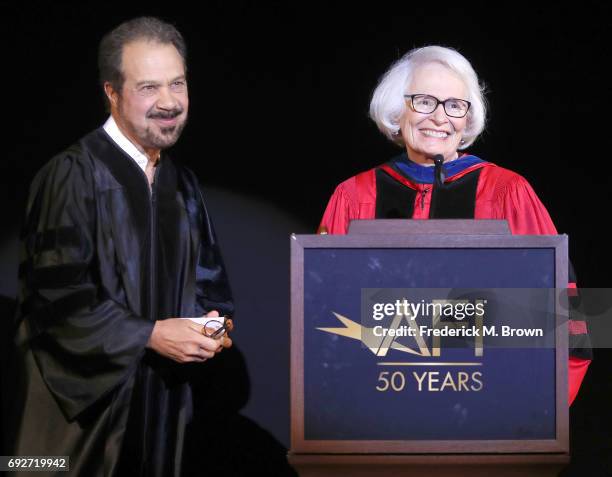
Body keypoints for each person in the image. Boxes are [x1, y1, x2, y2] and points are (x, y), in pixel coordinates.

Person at [4, 17, 234, 476]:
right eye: (149, 87)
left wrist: (212, 325)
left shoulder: (181, 184)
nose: (169, 102)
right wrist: (148, 334)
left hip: (160, 411)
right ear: (112, 92)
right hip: (82, 420)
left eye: (178, 84)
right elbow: (57, 299)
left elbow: (209, 282)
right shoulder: (73, 175)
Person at [318, 45, 591, 405]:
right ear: (397, 109)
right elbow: (322, 316)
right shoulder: (353, 197)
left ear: (467, 118)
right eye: (424, 101)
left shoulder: (508, 193)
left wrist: (532, 411)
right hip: (377, 408)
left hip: (488, 406)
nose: (439, 117)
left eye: (454, 105)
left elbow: (563, 314)